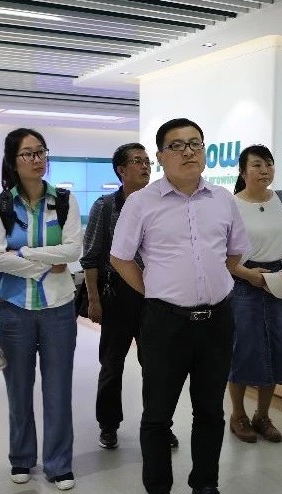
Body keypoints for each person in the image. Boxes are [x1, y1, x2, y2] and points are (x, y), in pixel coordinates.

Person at [110, 117, 251, 494]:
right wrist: (154, 290)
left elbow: (235, 253)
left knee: (210, 411)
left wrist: (210, 283)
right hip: (165, 322)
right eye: (177, 145)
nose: (188, 151)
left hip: (217, 320)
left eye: (195, 143)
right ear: (160, 156)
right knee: (158, 413)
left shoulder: (223, 200)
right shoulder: (142, 203)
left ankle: (205, 487)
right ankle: (158, 491)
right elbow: (120, 258)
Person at [0, 128, 82, 491]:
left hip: (59, 308)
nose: (37, 159)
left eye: (41, 151)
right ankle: (22, 457)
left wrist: (25, 254)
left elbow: (73, 250)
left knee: (59, 389)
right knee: (18, 389)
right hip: (14, 310)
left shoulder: (65, 200)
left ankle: (59, 463)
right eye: (28, 153)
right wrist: (46, 263)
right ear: (13, 161)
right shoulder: (1, 205)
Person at [80, 143, 177, 451]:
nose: (145, 166)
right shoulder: (106, 206)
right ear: (121, 170)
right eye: (137, 161)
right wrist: (94, 299)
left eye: (147, 161)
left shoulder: (161, 203)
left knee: (157, 365)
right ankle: (108, 425)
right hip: (117, 295)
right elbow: (91, 256)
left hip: (155, 295)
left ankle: (159, 425)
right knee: (112, 364)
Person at [226, 145, 282, 444]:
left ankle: (262, 415)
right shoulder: (231, 205)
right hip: (245, 282)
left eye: (269, 164)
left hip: (279, 281)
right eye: (257, 165)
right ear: (243, 172)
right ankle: (238, 415)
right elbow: (222, 254)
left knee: (276, 347)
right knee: (243, 348)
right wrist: (249, 275)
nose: (264, 170)